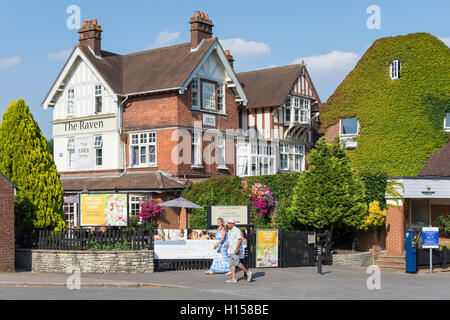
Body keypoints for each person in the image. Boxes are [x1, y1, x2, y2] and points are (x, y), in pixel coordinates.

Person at [225, 219, 252, 283]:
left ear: (232, 224)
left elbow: (240, 239)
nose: (228, 224)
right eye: (228, 223)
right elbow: (230, 240)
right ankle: (234, 278)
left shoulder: (236, 230)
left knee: (237, 263)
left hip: (235, 249)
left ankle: (248, 272)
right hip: (230, 250)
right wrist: (228, 245)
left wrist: (237, 248)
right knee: (232, 264)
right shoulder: (229, 231)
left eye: (229, 223)